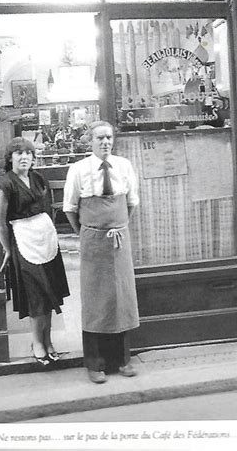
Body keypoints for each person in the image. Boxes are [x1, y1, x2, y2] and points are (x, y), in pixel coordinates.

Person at [63, 120, 140, 384]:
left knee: (121, 298)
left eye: (108, 137)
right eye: (99, 138)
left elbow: (131, 203)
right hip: (93, 241)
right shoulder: (78, 169)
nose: (105, 142)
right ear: (90, 141)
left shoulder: (125, 166)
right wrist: (89, 231)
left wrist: (117, 225)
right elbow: (70, 208)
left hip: (119, 239)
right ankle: (95, 363)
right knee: (96, 301)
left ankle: (122, 360)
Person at [0, 137, 69, 366]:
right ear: (10, 158)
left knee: (50, 294)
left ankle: (48, 341)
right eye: (19, 153)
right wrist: (7, 250)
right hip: (24, 244)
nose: (24, 157)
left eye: (28, 153)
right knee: (37, 295)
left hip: (45, 241)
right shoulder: (5, 184)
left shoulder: (37, 178)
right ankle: (37, 343)